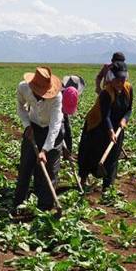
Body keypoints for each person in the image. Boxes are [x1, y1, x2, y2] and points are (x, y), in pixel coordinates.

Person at [13, 66, 63, 212]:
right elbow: (20, 108)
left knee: (50, 170)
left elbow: (55, 125)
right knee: (25, 166)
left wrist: (45, 150)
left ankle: (45, 208)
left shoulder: (57, 97)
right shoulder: (23, 88)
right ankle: (18, 202)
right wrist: (27, 125)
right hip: (33, 128)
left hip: (52, 132)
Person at [78, 61, 133, 191]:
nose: (120, 83)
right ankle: (83, 180)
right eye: (117, 80)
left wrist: (125, 120)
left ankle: (107, 187)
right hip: (98, 125)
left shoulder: (128, 89)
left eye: (123, 80)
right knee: (91, 153)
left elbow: (129, 109)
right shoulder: (106, 93)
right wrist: (110, 131)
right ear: (112, 78)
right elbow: (105, 115)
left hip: (118, 126)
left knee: (113, 155)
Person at [60, 75, 84, 157]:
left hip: (64, 110)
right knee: (59, 131)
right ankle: (61, 151)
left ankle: (67, 153)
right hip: (56, 109)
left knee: (68, 130)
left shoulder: (72, 93)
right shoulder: (58, 93)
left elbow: (70, 106)